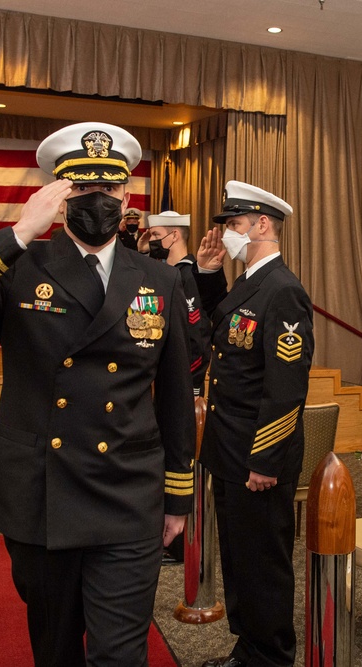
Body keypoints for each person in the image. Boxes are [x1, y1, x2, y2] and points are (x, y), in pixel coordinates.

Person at [0, 122, 195, 666]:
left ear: (126, 195)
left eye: (108, 191)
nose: (97, 202)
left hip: (127, 494)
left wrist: (178, 496)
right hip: (44, 495)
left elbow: (176, 393)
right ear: (59, 198)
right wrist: (16, 234)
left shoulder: (159, 279)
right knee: (56, 647)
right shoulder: (20, 267)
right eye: (82, 190)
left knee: (120, 654)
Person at [194, 180, 313, 667]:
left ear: (263, 225)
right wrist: (206, 274)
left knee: (262, 565)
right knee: (240, 560)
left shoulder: (284, 291)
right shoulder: (250, 283)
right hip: (229, 449)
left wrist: (265, 459)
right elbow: (221, 332)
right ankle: (249, 651)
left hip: (257, 458)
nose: (229, 236)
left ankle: (270, 656)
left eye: (236, 226)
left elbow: (286, 390)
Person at [145, 209, 212, 566]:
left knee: (182, 456)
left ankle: (180, 542)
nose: (152, 243)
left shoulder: (185, 274)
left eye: (156, 237)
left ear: (174, 235)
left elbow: (195, 337)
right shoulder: (167, 273)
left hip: (185, 384)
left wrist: (185, 383)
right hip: (165, 384)